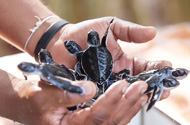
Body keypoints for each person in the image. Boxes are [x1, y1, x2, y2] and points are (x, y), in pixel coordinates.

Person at [0, 0, 171, 124]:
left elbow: (75, 56)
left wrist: (54, 34)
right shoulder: (94, 50)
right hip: (95, 73)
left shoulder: (83, 53)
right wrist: (16, 97)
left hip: (87, 73)